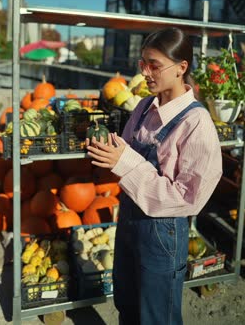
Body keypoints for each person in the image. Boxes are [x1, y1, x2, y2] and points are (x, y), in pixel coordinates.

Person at [86, 27, 222, 325]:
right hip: (130, 221)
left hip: (162, 233)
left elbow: (188, 197)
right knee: (128, 305)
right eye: (142, 63)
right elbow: (127, 151)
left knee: (156, 316)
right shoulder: (145, 105)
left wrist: (126, 163)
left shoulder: (197, 123)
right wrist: (109, 150)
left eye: (155, 65)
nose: (146, 72)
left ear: (181, 68)